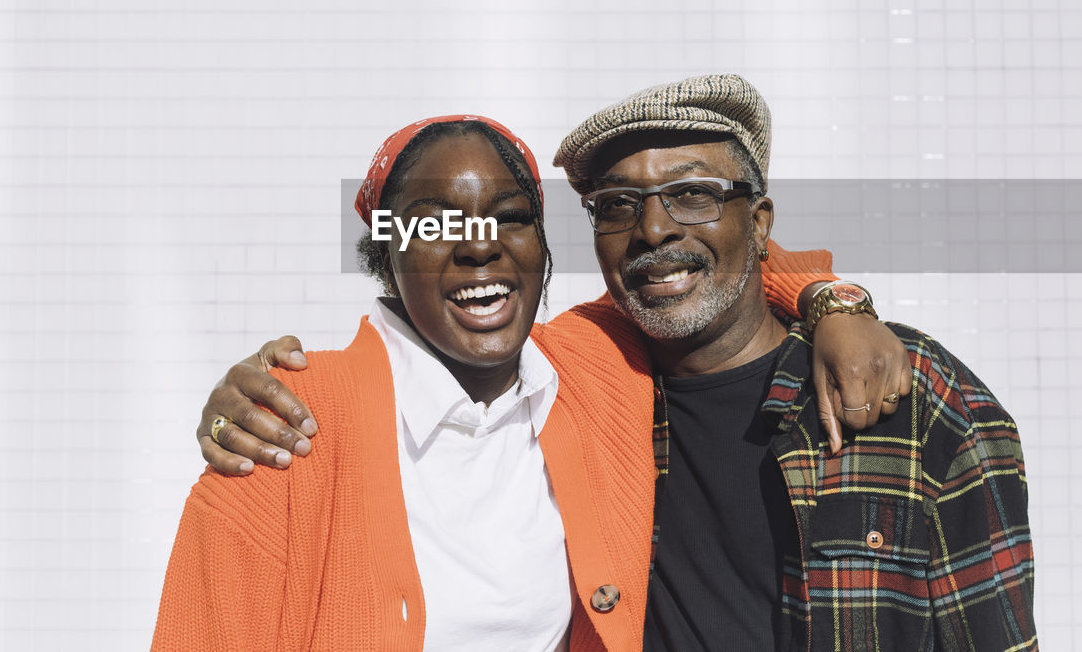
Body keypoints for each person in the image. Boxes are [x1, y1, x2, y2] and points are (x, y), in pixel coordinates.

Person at [197, 75, 1035, 650]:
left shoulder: (921, 400)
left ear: (760, 217)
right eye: (618, 206)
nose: (656, 229)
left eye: (695, 193)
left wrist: (832, 299)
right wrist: (264, 392)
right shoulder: (585, 374)